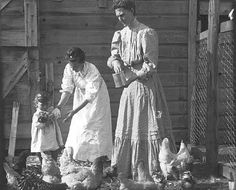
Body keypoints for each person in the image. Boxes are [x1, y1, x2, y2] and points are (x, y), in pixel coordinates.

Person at [107, 0, 177, 179]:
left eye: (123, 14)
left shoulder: (146, 33)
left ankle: (153, 168)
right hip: (128, 89)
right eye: (117, 16)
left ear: (131, 11)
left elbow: (150, 64)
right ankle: (127, 166)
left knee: (147, 123)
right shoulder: (120, 34)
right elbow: (113, 55)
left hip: (145, 85)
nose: (120, 19)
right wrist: (115, 62)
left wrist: (133, 75)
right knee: (129, 124)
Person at [51, 47, 113, 162]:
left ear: (82, 62)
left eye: (75, 66)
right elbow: (67, 89)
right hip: (81, 97)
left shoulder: (92, 70)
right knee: (79, 126)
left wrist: (74, 111)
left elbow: (90, 95)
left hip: (97, 99)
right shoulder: (69, 68)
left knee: (94, 126)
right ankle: (80, 158)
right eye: (71, 66)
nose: (73, 69)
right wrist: (59, 107)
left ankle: (98, 160)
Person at [31, 92, 64, 162]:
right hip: (42, 137)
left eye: (46, 105)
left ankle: (54, 163)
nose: (45, 107)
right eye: (42, 105)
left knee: (54, 151)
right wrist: (46, 121)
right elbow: (37, 125)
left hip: (51, 137)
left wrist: (53, 115)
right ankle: (43, 165)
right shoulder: (36, 115)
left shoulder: (50, 112)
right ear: (36, 104)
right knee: (43, 153)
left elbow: (58, 115)